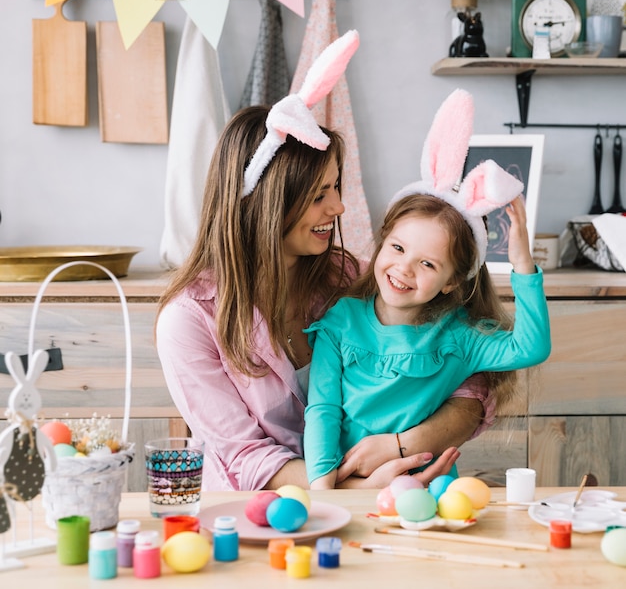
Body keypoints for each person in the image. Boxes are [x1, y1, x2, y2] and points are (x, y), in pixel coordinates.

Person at [155, 34, 493, 492]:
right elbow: (245, 456)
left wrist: (403, 446)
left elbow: (468, 383)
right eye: (319, 195)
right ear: (267, 204)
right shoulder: (189, 320)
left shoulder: (347, 278)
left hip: (387, 492)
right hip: (256, 517)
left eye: (336, 189)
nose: (338, 209)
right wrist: (348, 487)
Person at [303, 89, 552, 489]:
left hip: (429, 486)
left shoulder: (458, 337)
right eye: (398, 248)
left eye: (427, 264)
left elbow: (531, 348)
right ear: (382, 242)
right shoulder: (341, 322)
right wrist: (323, 488)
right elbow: (323, 409)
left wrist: (523, 266)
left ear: (452, 281)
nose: (403, 269)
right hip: (352, 486)